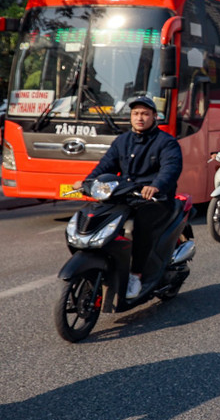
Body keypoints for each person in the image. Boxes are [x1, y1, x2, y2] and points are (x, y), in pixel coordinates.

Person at [74, 96, 182, 299]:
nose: (139, 118)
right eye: (135, 114)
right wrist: (87, 182)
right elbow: (105, 165)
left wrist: (156, 186)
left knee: (140, 226)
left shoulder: (166, 142)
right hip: (124, 197)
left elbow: (171, 168)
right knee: (96, 216)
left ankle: (136, 274)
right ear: (130, 117)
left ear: (154, 117)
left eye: (145, 114)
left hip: (153, 200)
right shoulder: (122, 141)